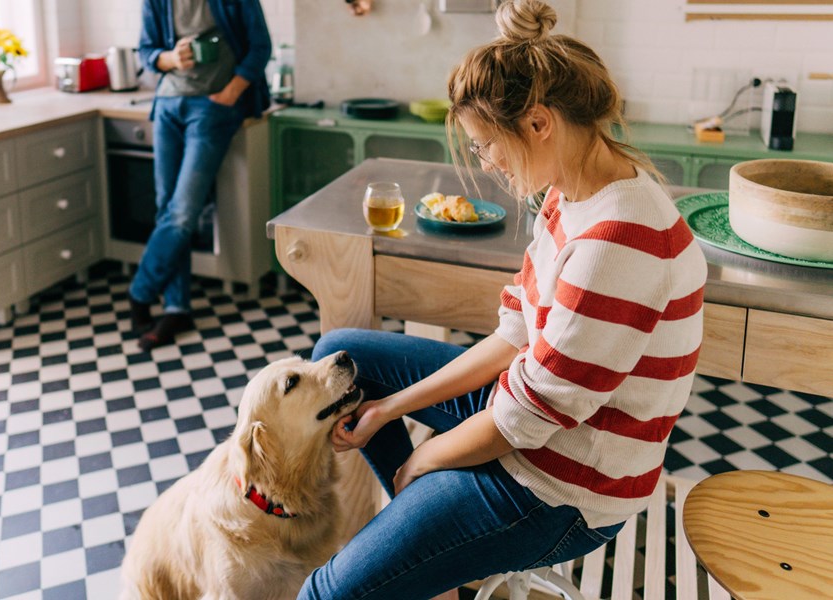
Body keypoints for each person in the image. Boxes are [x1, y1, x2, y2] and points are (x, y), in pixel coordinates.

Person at [298, 1, 707, 598]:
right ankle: (427, 556)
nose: (486, 164)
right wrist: (389, 411)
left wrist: (422, 461)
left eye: (486, 145)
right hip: (529, 421)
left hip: (560, 489)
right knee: (345, 360)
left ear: (539, 123)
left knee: (326, 592)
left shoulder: (617, 247)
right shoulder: (572, 192)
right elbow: (516, 333)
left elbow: (522, 421)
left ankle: (421, 544)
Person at [130, 0, 272, 351]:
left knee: (181, 212)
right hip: (167, 105)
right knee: (168, 209)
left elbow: (260, 47)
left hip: (212, 107)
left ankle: (141, 292)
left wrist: (231, 93)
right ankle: (177, 308)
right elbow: (147, 52)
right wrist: (171, 59)